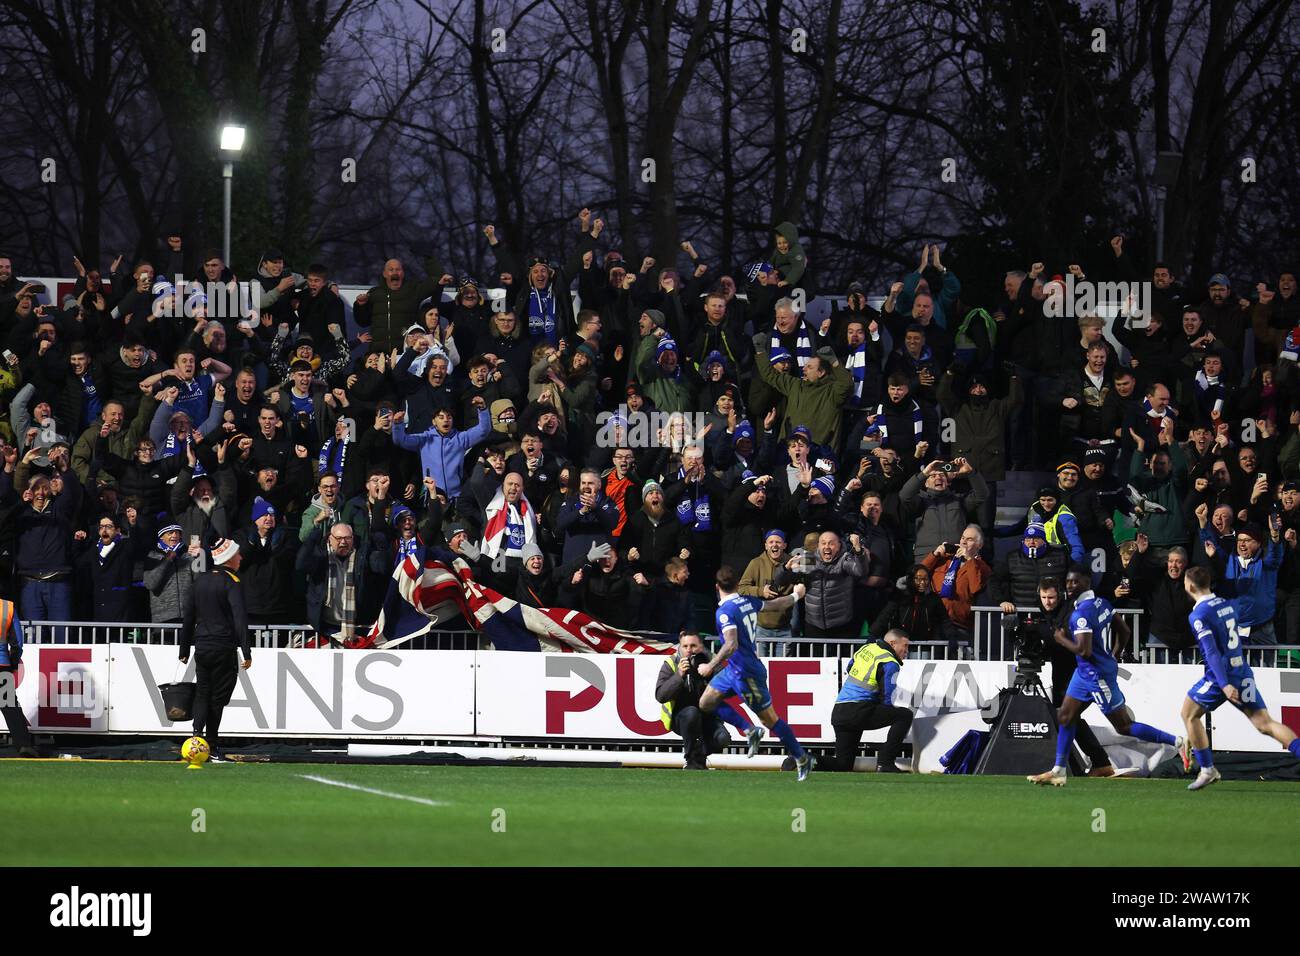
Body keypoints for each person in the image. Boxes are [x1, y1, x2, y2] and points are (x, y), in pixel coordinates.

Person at [1030, 570, 1188, 786]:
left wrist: (1061, 639)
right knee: (1065, 716)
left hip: (1096, 675)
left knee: (1123, 726)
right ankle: (1059, 770)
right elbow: (1123, 630)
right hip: (1083, 673)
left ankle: (1178, 742)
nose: (1069, 585)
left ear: (1086, 584)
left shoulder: (1081, 615)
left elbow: (1084, 651)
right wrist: (1114, 654)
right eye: (1067, 581)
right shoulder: (1101, 603)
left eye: (1075, 582)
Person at [1181, 565, 1300, 790]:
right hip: (1241, 670)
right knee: (1266, 724)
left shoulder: (1198, 614)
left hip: (1220, 677)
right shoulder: (1225, 604)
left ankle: (1207, 769)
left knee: (1188, 715)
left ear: (1189, 586)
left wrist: (1224, 684)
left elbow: (1211, 652)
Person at [697, 567, 812, 780]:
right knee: (706, 702)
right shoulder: (747, 601)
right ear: (737, 585)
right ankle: (749, 730)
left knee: (770, 720)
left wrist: (710, 666)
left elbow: (731, 644)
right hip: (733, 669)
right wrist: (797, 595)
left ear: (716, 587)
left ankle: (802, 757)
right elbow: (775, 605)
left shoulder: (725, 612)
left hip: (746, 673)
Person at [179, 537, 251, 762]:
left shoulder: (199, 581)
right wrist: (246, 651)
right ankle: (211, 744)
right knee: (218, 699)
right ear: (229, 558)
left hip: (202, 645)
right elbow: (240, 617)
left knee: (202, 692)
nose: (241, 557)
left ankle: (195, 739)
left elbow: (188, 618)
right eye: (238, 554)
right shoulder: (232, 581)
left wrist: (184, 648)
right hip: (223, 646)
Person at [655, 632, 758, 770]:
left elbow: (731, 691)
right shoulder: (671, 663)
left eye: (693, 646)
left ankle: (696, 758)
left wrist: (713, 676)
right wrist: (679, 675)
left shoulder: (712, 661)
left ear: (701, 646)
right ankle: (691, 761)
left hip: (707, 716)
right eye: (685, 646)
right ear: (680, 647)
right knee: (691, 713)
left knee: (723, 739)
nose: (689, 650)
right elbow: (661, 696)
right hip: (681, 718)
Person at [824, 629, 912, 772]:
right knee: (904, 715)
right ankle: (885, 763)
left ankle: (801, 759)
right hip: (859, 711)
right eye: (905, 646)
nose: (907, 651)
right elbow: (887, 697)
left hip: (840, 712)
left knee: (843, 765)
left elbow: (850, 667)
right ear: (893, 643)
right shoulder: (889, 662)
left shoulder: (866, 648)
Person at [0, 597, 37, 756]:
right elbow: (17, 644)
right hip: (1, 665)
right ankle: (24, 745)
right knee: (10, 707)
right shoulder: (6, 607)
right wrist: (13, 664)